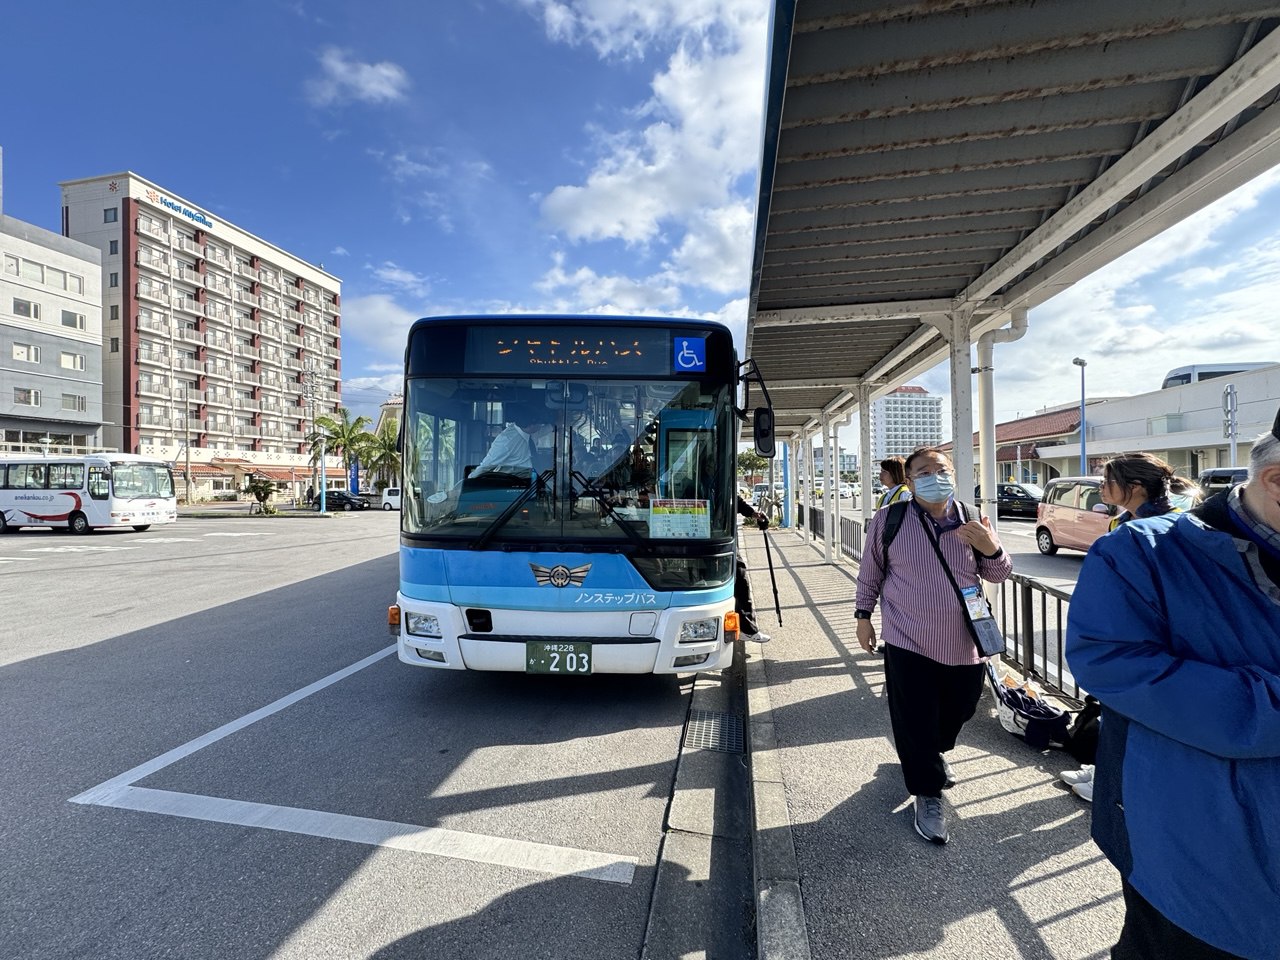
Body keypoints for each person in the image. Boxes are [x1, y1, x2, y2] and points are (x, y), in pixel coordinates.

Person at [1065, 411, 1280, 960]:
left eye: (1107, 487)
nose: (1101, 496)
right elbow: (1108, 660)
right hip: (1199, 857)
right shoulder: (1141, 551)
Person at [854, 447, 1011, 845]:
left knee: (962, 707)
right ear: (909, 480)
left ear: (955, 474)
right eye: (923, 471)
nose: (934, 475)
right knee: (916, 715)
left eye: (941, 469)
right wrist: (862, 616)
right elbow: (870, 570)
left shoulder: (972, 518)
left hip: (964, 639)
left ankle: (932, 752)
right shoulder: (890, 519)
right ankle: (927, 791)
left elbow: (999, 572)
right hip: (907, 637)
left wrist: (991, 547)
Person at [1062, 452, 1197, 801]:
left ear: (1134, 487)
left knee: (1138, 720)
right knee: (1116, 715)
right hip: (1124, 635)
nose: (1102, 488)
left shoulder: (1171, 528)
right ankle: (1104, 771)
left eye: (1109, 482)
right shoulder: (1125, 522)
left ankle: (1115, 783)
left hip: (1149, 640)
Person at [736, 494, 772, 643]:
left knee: (740, 578)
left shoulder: (721, 478)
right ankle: (747, 629)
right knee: (740, 581)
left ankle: (746, 628)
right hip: (717, 539)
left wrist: (753, 514)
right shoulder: (704, 482)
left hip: (723, 539)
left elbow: (737, 501)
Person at [470, 409, 547, 479]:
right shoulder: (506, 440)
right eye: (540, 424)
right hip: (516, 486)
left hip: (533, 482)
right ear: (531, 426)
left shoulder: (529, 433)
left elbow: (543, 431)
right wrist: (469, 482)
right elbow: (487, 465)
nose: (541, 426)